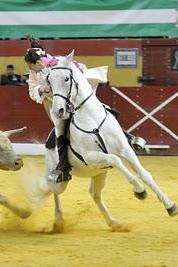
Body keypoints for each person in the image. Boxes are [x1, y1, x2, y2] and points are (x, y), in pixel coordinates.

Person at [24, 35, 145, 183]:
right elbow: (32, 92)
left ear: (37, 61)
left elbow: (79, 68)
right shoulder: (36, 73)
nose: (31, 70)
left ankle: (129, 139)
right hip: (57, 106)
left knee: (102, 111)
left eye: (31, 66)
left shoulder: (60, 61)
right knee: (60, 129)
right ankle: (63, 164)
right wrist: (42, 88)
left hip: (75, 99)